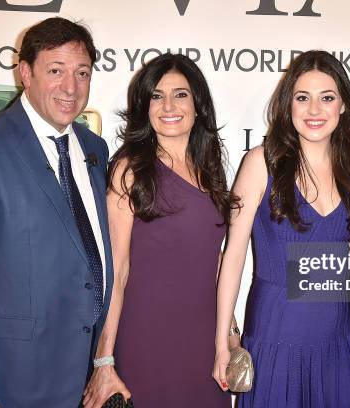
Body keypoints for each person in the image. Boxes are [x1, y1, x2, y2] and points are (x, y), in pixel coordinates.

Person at [0, 17, 113, 407]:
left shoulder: (95, 149)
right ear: (25, 73)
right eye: (56, 71)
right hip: (13, 386)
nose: (71, 87)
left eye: (82, 73)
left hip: (86, 381)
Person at [213, 50, 350, 407]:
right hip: (276, 330)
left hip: (337, 335)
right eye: (303, 98)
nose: (314, 110)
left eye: (326, 98)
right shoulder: (260, 162)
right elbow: (233, 256)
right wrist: (222, 341)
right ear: (288, 105)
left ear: (343, 105)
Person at [82, 53, 238, 408]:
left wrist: (230, 332)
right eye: (156, 95)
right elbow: (116, 271)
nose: (168, 105)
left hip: (204, 341)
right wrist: (104, 359)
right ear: (144, 106)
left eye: (180, 94)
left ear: (198, 104)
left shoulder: (209, 169)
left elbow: (212, 264)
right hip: (147, 338)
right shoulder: (130, 169)